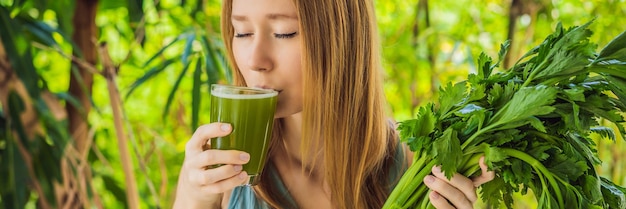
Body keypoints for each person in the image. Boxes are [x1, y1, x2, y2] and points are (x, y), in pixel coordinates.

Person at [173, 0, 495, 208]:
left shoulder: (417, 164)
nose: (255, 60)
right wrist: (194, 198)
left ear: (343, 38)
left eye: (285, 33)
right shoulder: (220, 175)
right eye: (241, 32)